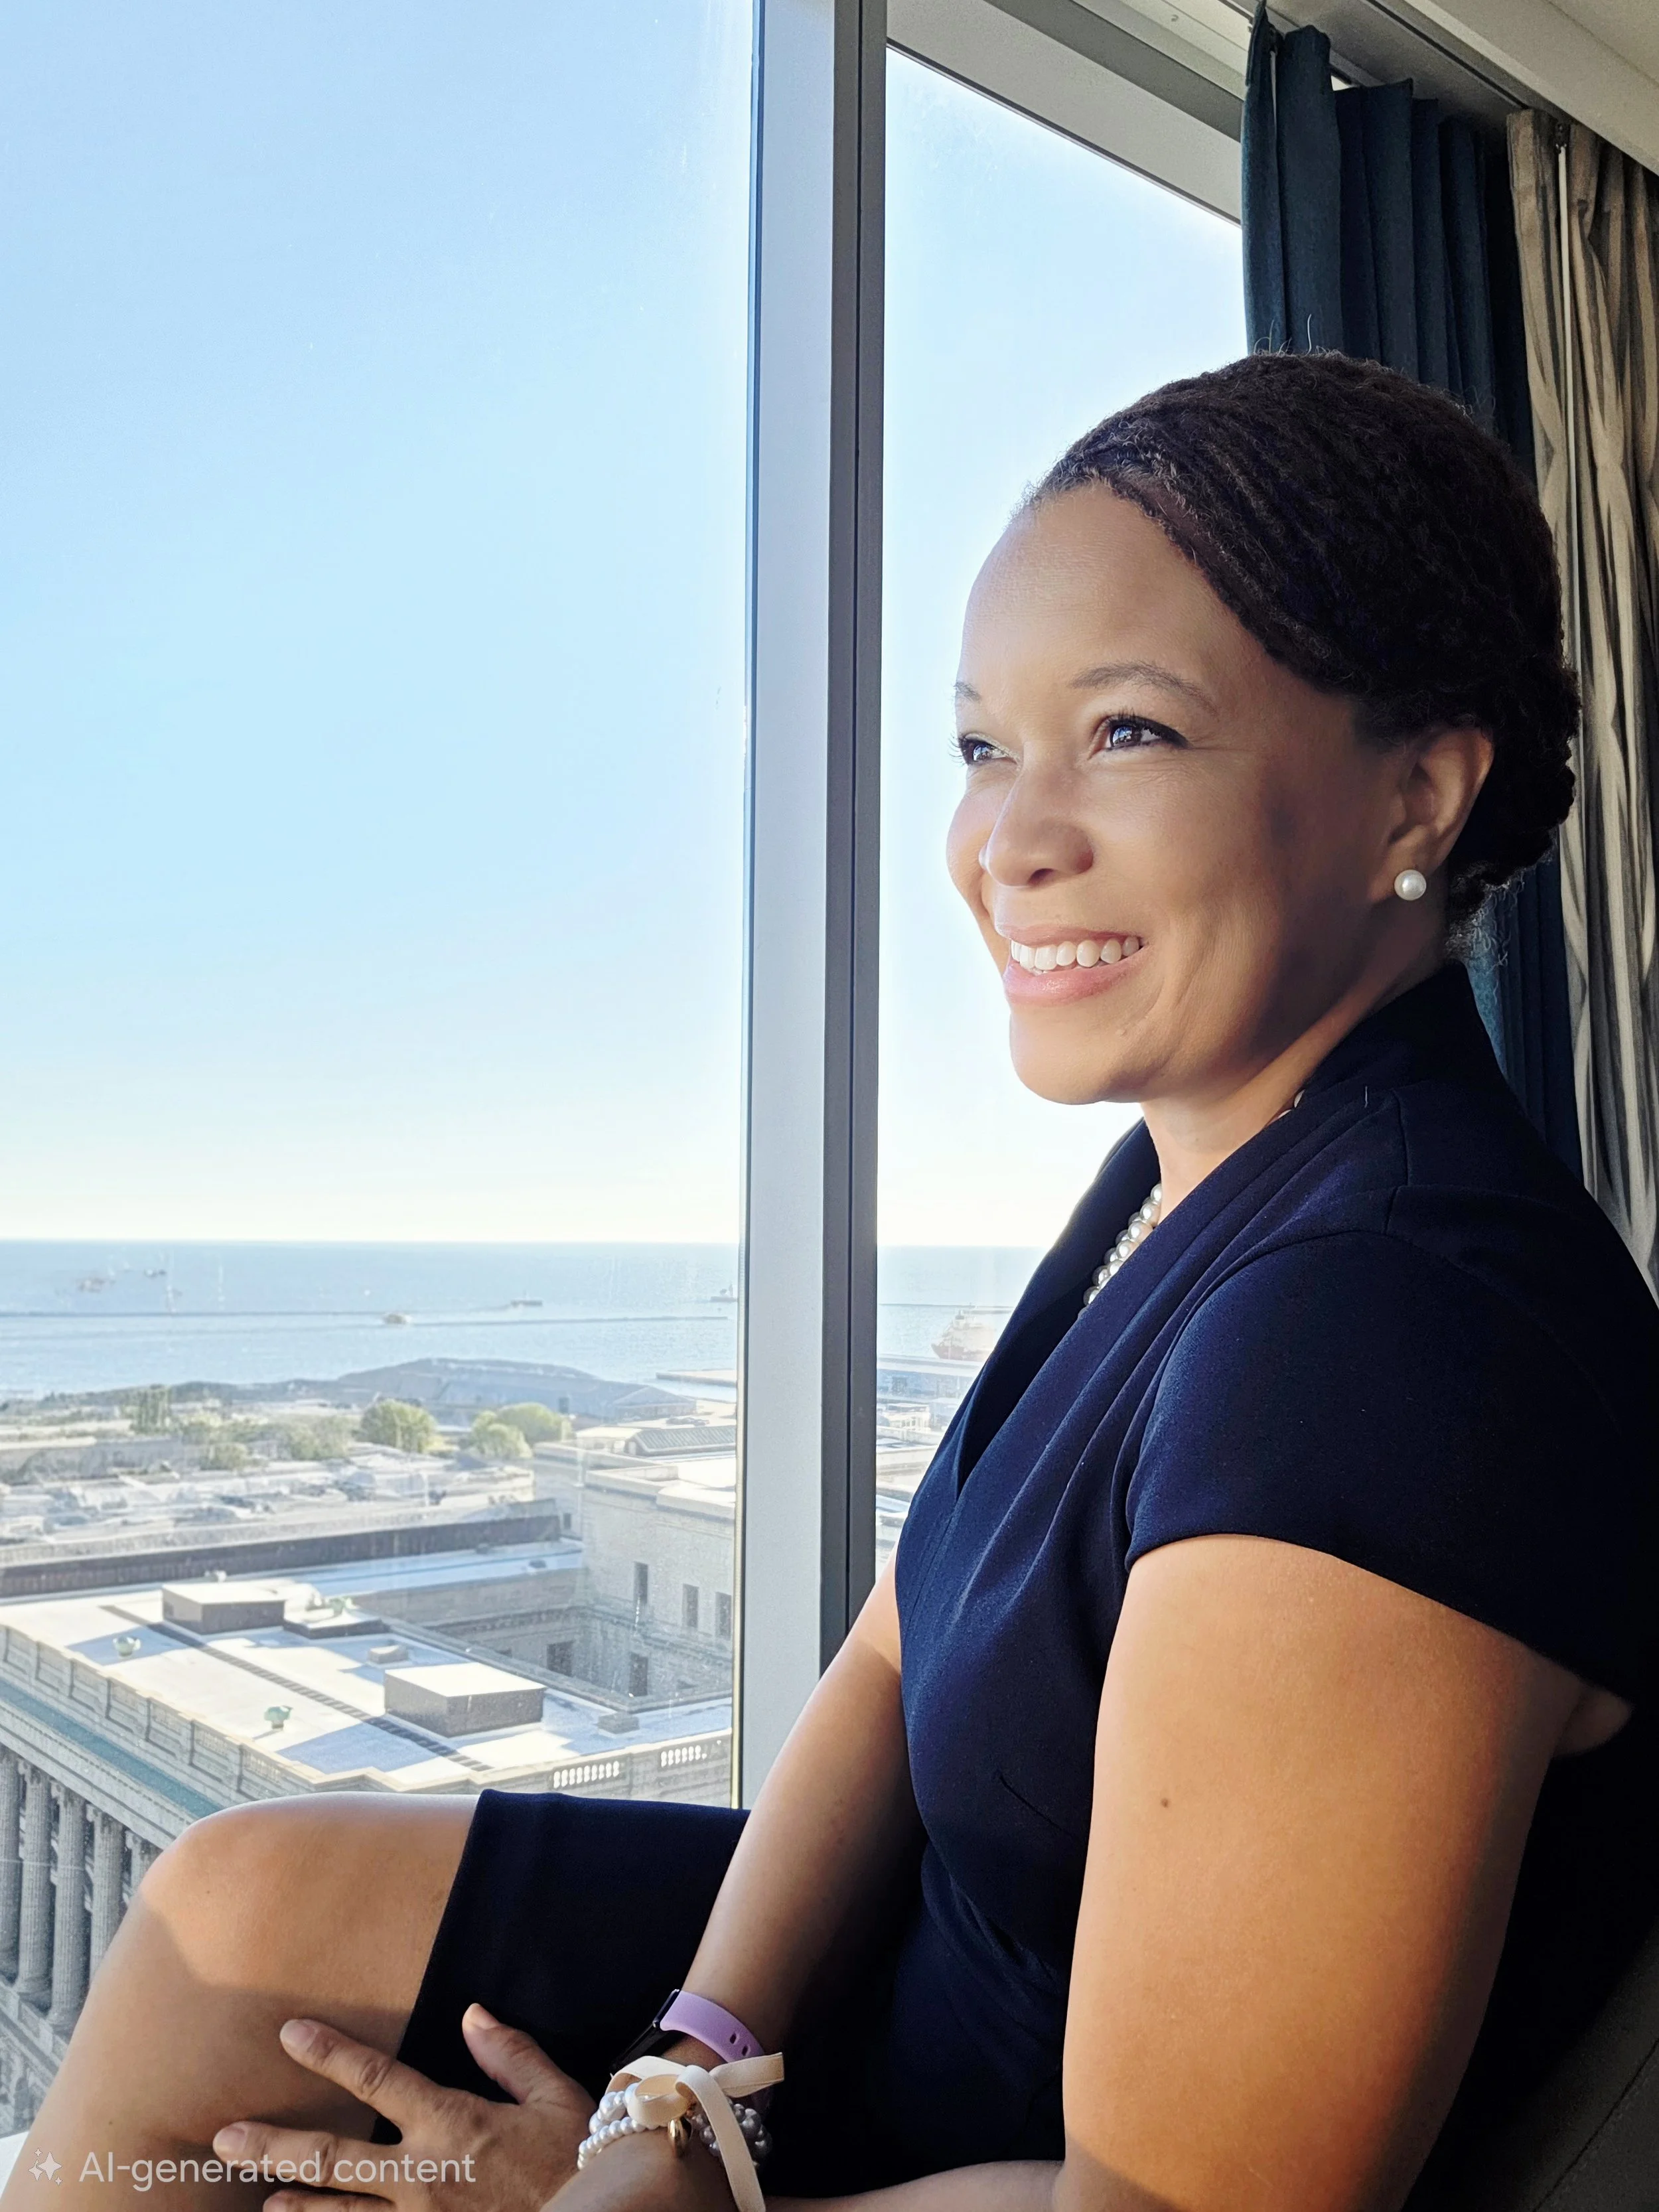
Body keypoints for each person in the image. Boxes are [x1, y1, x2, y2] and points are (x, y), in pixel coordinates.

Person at [9, 352, 1656, 2212]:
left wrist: (637, 2202)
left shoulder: (1384, 1334)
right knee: (235, 1907)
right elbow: (900, 1637)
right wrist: (683, 2081)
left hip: (990, 2148)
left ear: (1414, 797)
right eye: (980, 747)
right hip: (891, 2023)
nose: (1005, 841)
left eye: (1127, 731)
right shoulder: (1192, 1174)